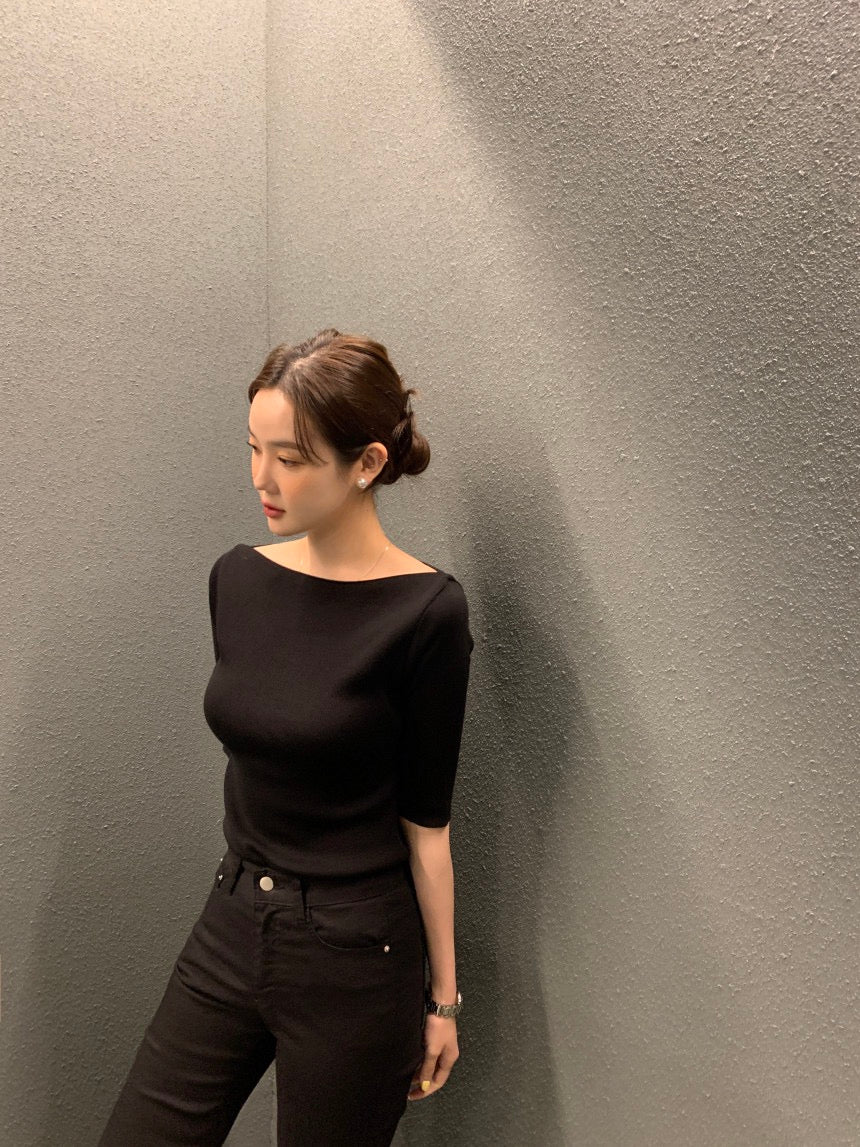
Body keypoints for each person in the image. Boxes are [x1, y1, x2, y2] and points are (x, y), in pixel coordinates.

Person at [97, 328, 475, 1146]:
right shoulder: (238, 576)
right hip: (233, 918)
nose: (262, 478)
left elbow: (427, 826)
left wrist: (442, 1000)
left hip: (355, 950)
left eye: (291, 458)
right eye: (253, 448)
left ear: (367, 462)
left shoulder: (427, 613)